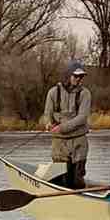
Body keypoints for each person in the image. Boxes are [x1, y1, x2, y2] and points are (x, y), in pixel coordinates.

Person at [44, 60, 92, 189]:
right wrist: (48, 124)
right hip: (59, 145)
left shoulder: (85, 94)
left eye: (81, 76)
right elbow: (47, 113)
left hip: (79, 143)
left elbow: (82, 118)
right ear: (68, 75)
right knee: (61, 181)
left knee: (77, 181)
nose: (79, 79)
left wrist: (62, 128)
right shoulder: (53, 92)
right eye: (76, 76)